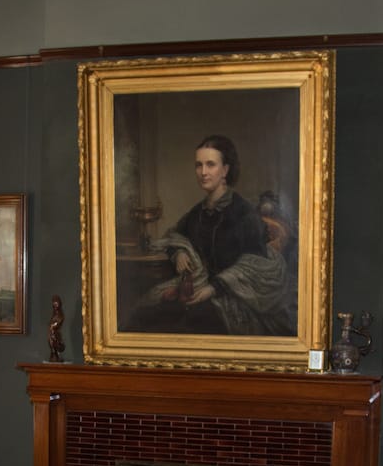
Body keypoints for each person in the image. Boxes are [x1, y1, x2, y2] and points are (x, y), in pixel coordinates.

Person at [125, 135, 294, 336]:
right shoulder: (198, 212)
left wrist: (214, 288)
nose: (203, 172)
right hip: (197, 289)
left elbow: (255, 266)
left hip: (233, 299)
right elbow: (174, 235)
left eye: (210, 164)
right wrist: (179, 252)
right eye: (199, 165)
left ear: (225, 170)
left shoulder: (245, 213)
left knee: (180, 324)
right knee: (142, 315)